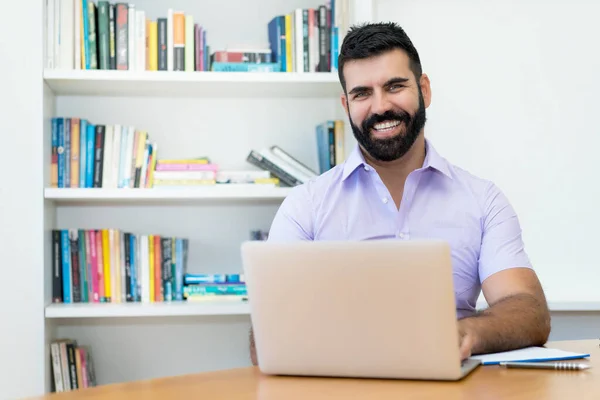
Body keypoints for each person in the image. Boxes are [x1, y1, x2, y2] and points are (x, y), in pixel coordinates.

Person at [249, 22, 550, 365]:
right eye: (362, 93)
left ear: (425, 89)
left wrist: (466, 334)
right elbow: (266, 337)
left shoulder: (484, 201)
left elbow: (527, 309)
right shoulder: (305, 207)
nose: (380, 107)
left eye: (394, 86)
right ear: (346, 105)